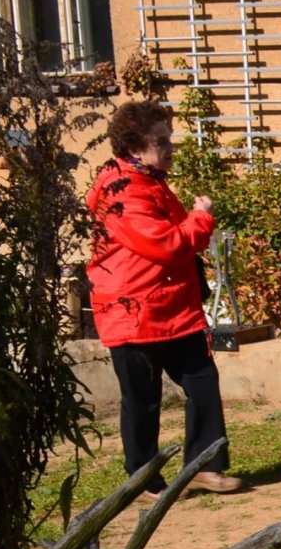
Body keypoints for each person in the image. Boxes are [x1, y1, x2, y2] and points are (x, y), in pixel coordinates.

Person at [86, 100, 245, 498]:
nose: (171, 148)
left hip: (171, 309)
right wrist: (202, 216)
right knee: (142, 400)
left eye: (169, 139)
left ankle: (205, 466)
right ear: (134, 148)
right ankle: (143, 481)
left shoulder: (148, 180)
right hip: (133, 313)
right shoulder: (122, 192)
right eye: (161, 141)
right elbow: (167, 244)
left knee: (202, 381)